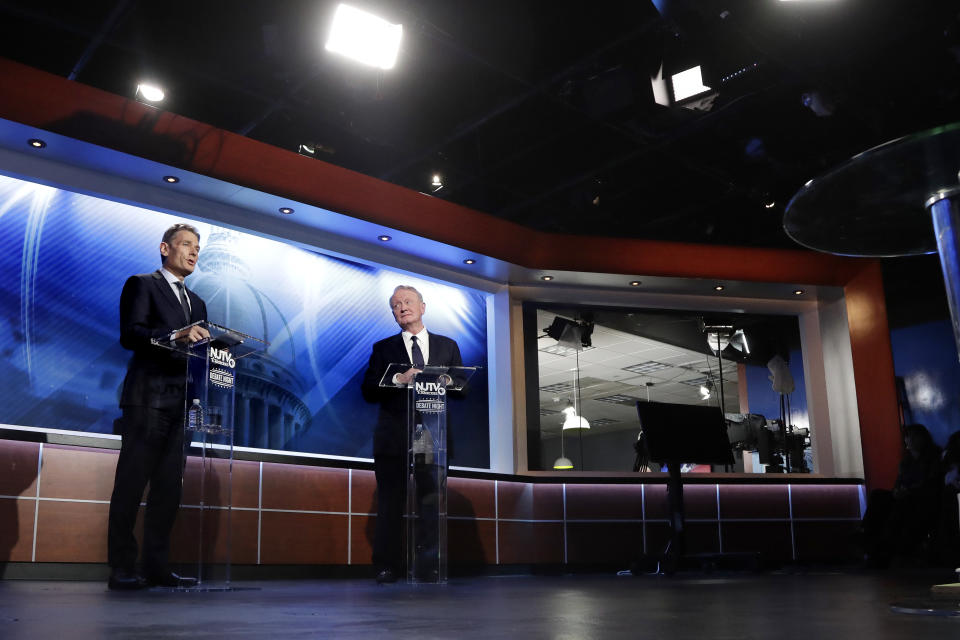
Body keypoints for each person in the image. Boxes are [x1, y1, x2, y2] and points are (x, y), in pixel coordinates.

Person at [106, 223, 210, 590]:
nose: (194, 252)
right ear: (165, 249)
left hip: (182, 403)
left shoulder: (197, 303)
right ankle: (121, 567)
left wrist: (217, 352)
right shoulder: (142, 284)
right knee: (131, 484)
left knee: (169, 489)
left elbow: (198, 352)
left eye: (197, 247)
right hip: (147, 399)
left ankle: (156, 566)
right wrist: (173, 336)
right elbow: (130, 334)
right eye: (186, 244)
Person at [361, 285, 462, 584]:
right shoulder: (383, 348)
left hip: (431, 435)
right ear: (393, 313)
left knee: (430, 502)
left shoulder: (448, 345)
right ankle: (386, 566)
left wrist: (445, 379)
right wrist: (397, 379)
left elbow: (463, 384)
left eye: (408, 302)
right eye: (396, 304)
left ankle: (429, 566)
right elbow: (368, 390)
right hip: (394, 435)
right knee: (390, 503)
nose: (402, 307)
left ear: (423, 306)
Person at [861, 423, 942, 567]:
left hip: (922, 497)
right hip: (905, 495)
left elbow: (931, 483)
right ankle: (867, 533)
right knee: (878, 495)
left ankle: (886, 550)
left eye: (913, 436)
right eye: (908, 437)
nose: (910, 440)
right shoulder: (906, 462)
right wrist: (897, 491)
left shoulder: (934, 457)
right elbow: (898, 483)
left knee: (900, 507)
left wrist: (908, 491)